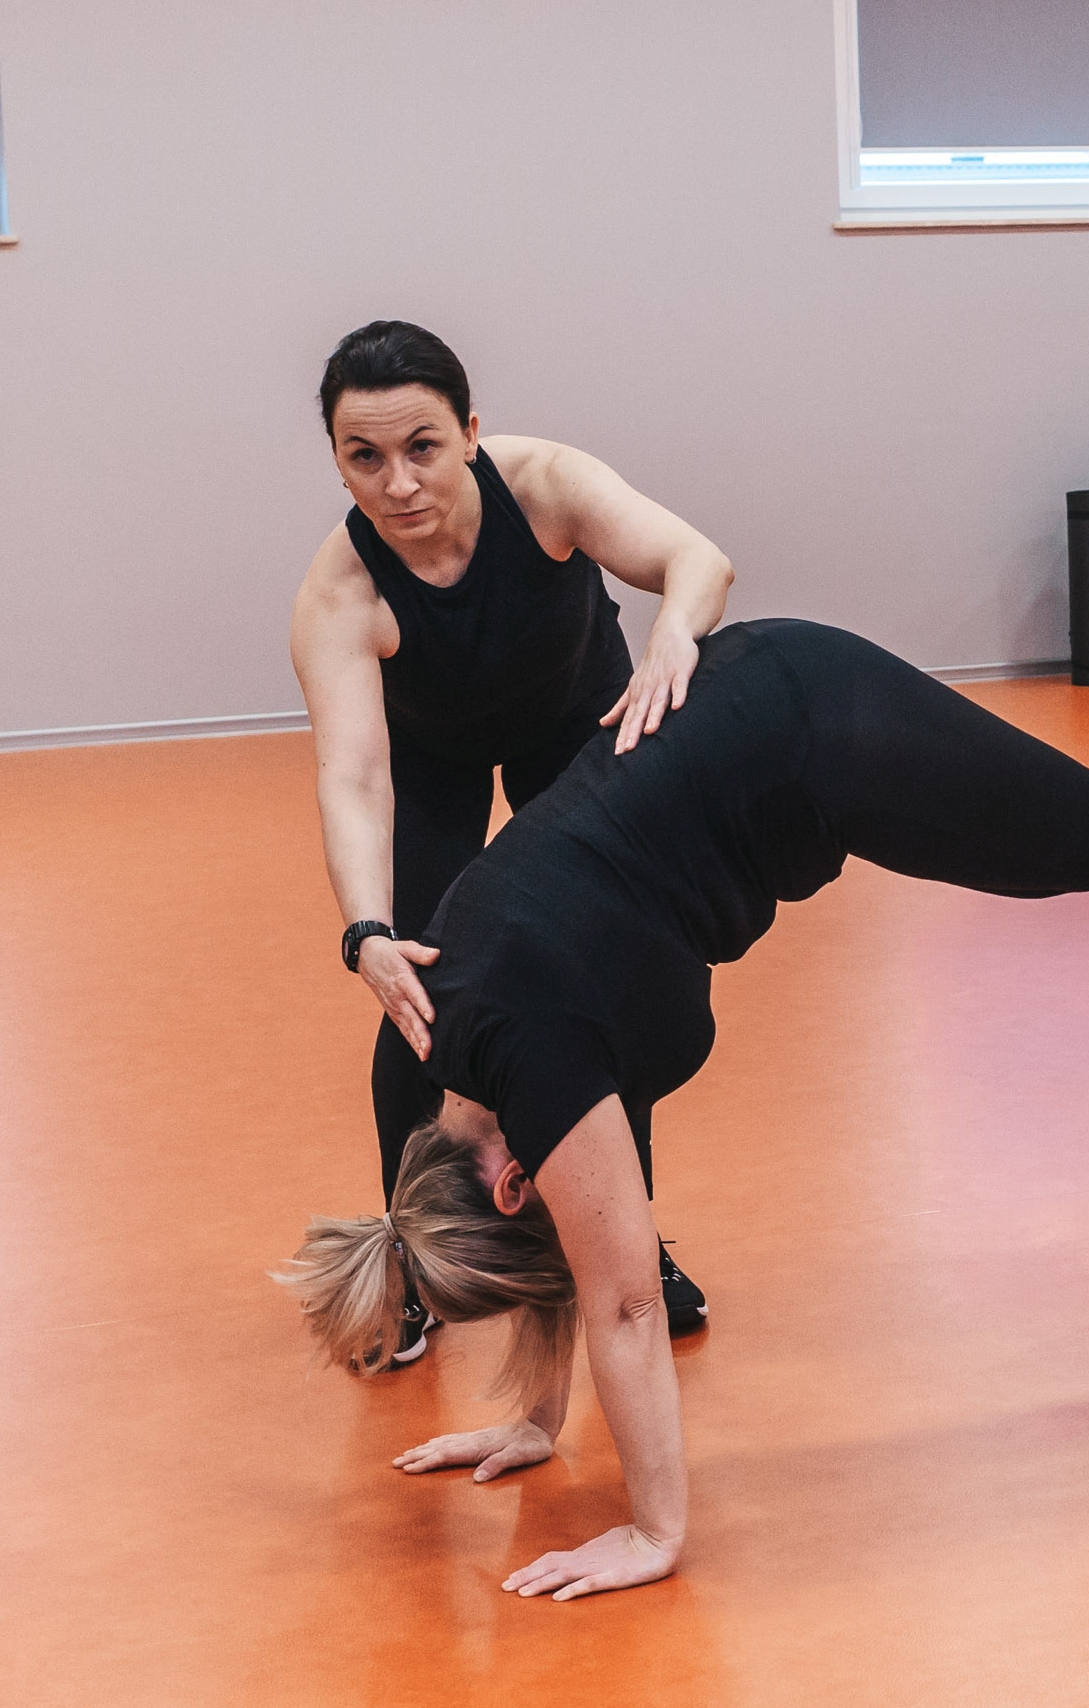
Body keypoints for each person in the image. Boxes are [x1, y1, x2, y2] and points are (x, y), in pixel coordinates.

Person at [274, 617, 1089, 1600]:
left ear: (510, 1182)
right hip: (755, 715)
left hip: (810, 729)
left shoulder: (535, 1053)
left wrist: (656, 1531)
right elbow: (570, 1236)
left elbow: (615, 1293)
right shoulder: (456, 1040)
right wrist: (535, 1418)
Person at [289, 321, 729, 1354]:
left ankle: (627, 1243)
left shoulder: (543, 487)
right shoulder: (340, 593)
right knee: (419, 990)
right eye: (365, 457)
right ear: (339, 462)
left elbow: (695, 559)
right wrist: (367, 932)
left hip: (575, 722)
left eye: (423, 446)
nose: (399, 482)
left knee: (605, 974)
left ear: (471, 432)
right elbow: (353, 776)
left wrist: (672, 634)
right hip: (433, 757)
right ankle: (412, 1258)